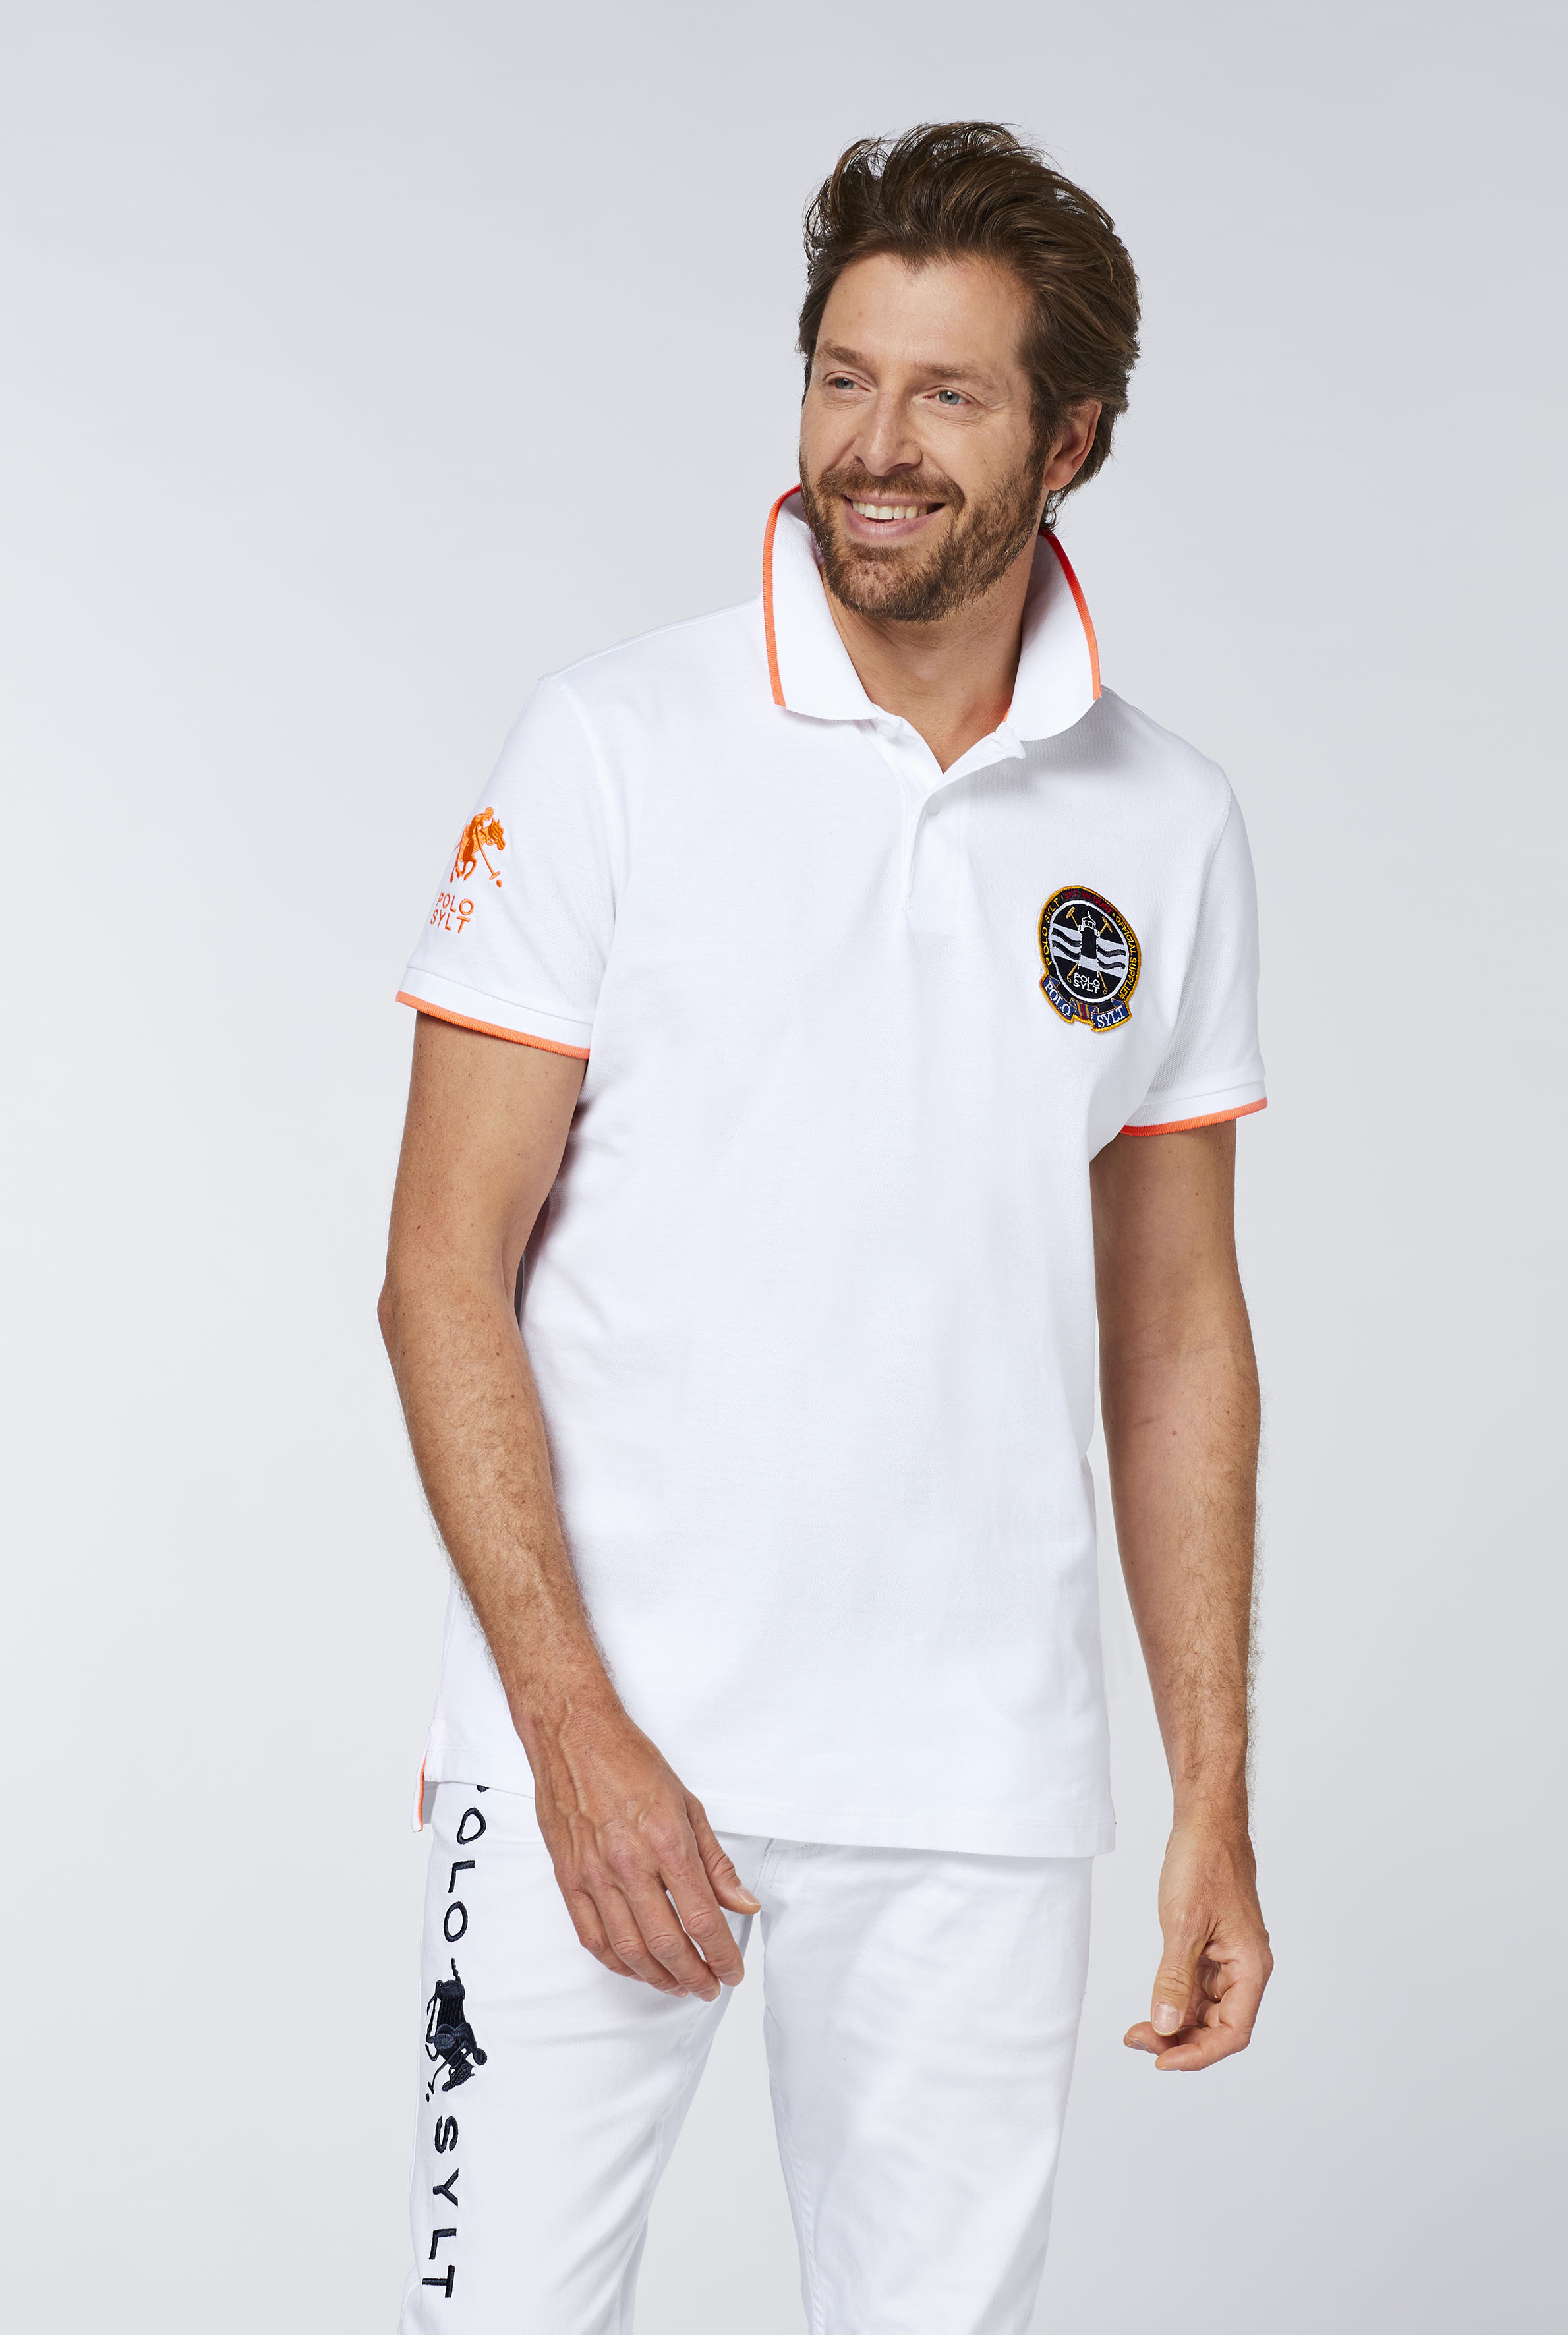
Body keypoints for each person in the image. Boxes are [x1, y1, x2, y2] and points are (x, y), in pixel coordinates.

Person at [380, 119, 1273, 2335]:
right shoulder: (613, 742)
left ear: (1071, 441)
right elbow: (438, 1275)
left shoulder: (1168, 823)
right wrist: (571, 1733)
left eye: (947, 395)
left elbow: (1178, 1335)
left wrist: (1213, 1793)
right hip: (600, 1750)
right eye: (842, 378)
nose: (872, 448)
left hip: (975, 1785)